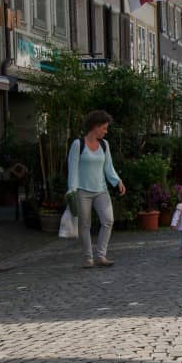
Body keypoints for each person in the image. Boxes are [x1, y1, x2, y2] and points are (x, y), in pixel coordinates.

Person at [66, 110, 127, 268]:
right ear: (95, 126)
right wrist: (71, 190)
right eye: (104, 128)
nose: (106, 131)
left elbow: (108, 167)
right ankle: (88, 258)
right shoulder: (77, 144)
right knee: (84, 225)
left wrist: (117, 181)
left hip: (101, 190)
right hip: (82, 191)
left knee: (108, 221)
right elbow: (72, 169)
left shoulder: (104, 145)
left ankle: (101, 256)